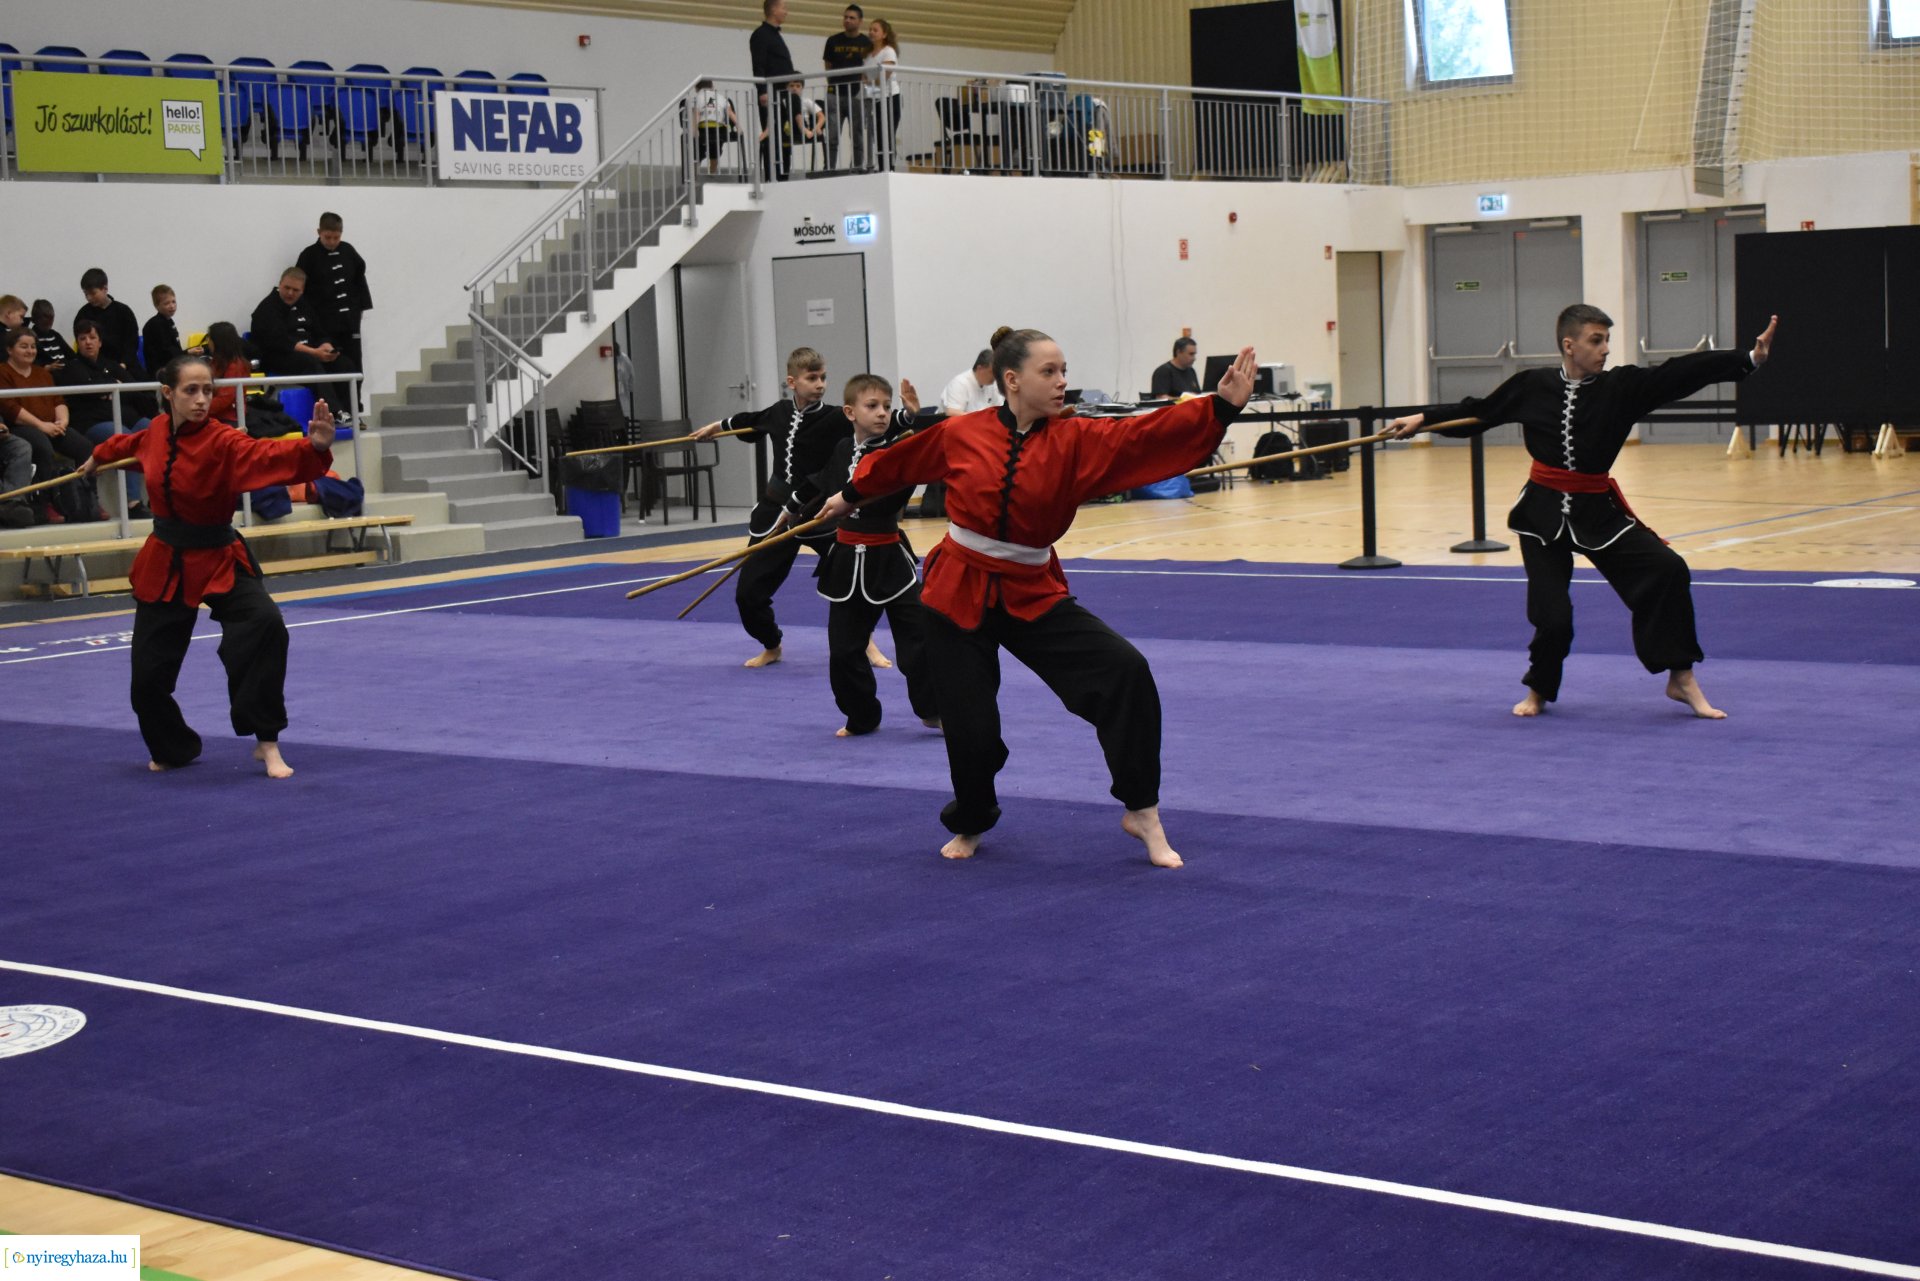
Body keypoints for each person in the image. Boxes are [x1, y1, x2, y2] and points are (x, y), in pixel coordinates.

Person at [817, 327, 1259, 867]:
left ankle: (1141, 808)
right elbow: (901, 462)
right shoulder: (962, 433)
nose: (1061, 382)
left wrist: (1220, 409)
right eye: (1048, 372)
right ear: (1012, 380)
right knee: (972, 730)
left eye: (1063, 371)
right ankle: (973, 819)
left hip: (1032, 589)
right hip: (957, 588)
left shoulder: (1077, 439)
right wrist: (848, 494)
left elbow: (1145, 434)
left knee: (1124, 671)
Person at [1387, 305, 1781, 720]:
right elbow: (1481, 412)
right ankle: (1539, 688)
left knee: (1666, 569)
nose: (1605, 349)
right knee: (1553, 618)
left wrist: (1747, 360)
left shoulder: (1622, 388)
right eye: (1597, 340)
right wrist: (1423, 418)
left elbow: (1678, 373)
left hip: (1599, 513)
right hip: (1540, 515)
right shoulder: (1531, 385)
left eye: (1607, 340)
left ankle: (1680, 677)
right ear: (1569, 344)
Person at [77, 355, 336, 779]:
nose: (201, 400)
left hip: (218, 555)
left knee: (265, 623)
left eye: (207, 391)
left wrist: (315, 449)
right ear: (168, 394)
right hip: (166, 559)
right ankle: (174, 747)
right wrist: (95, 457)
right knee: (146, 680)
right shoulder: (154, 432)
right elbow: (125, 446)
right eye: (190, 391)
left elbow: (266, 455)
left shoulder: (224, 441)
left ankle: (267, 742)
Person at [789, 373, 939, 735]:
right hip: (846, 565)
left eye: (887, 407)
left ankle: (933, 709)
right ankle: (862, 715)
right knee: (843, 651)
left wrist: (912, 419)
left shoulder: (893, 453)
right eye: (872, 406)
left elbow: (897, 488)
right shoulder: (842, 449)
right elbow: (821, 481)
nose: (882, 413)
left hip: (889, 559)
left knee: (918, 641)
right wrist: (790, 511)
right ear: (850, 412)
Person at [689, 347, 853, 667]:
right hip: (776, 513)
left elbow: (868, 426)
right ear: (792, 381)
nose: (820, 384)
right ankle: (772, 644)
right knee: (748, 595)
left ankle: (866, 642)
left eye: (823, 378)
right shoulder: (779, 412)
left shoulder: (835, 418)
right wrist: (717, 427)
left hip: (820, 513)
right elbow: (749, 421)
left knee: (852, 580)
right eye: (812, 378)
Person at [58, 318, 157, 516]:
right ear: (77, 342)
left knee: (155, 430)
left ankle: (158, 497)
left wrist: (108, 388)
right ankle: (133, 503)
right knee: (125, 439)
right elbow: (86, 390)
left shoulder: (111, 365)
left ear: (100, 341)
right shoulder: (72, 368)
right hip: (94, 423)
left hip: (128, 417)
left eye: (92, 337)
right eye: (82, 338)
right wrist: (112, 385)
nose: (88, 342)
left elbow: (132, 390)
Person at [0, 325, 96, 520]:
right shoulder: (2, 372)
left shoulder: (42, 373)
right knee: (43, 447)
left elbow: (58, 400)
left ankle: (88, 500)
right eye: (23, 346)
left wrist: (63, 421)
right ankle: (44, 503)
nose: (30, 351)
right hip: (20, 427)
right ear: (10, 349)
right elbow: (10, 408)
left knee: (84, 446)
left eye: (33, 347)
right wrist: (42, 426)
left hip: (51, 425)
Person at [293, 213, 373, 419]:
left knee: (355, 368)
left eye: (336, 237)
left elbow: (359, 281)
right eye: (327, 237)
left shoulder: (348, 251)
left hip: (350, 324)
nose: (332, 242)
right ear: (319, 232)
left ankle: (356, 413)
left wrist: (359, 312)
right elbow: (302, 292)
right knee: (332, 368)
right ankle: (336, 413)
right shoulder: (308, 256)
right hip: (324, 327)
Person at [250, 268, 351, 418]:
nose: (290, 293)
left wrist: (326, 346)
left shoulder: (305, 305)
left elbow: (319, 331)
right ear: (280, 284)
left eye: (295, 290)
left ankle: (349, 411)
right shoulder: (267, 308)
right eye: (287, 288)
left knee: (344, 364)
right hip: (278, 357)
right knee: (310, 363)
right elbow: (282, 342)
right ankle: (332, 413)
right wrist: (315, 353)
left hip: (309, 353)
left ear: (302, 290)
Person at [750, 0, 797, 182]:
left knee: (784, 134)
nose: (786, 11)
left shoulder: (774, 35)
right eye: (783, 8)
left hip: (782, 93)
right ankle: (772, 175)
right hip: (771, 93)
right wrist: (763, 91)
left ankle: (783, 174)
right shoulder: (761, 35)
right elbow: (759, 65)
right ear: (773, 9)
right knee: (772, 135)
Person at [822, 4, 869, 171]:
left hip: (857, 94)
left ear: (860, 21)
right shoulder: (833, 41)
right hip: (835, 94)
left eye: (852, 18)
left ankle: (857, 167)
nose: (847, 20)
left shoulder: (866, 42)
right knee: (832, 135)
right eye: (845, 17)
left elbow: (868, 66)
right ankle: (829, 168)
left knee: (856, 135)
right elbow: (828, 65)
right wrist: (832, 84)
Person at [74, 268, 145, 375]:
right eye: (86, 294)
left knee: (147, 388)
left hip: (125, 365)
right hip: (95, 368)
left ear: (105, 289)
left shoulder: (123, 311)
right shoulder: (83, 314)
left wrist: (123, 364)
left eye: (93, 293)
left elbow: (131, 343)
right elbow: (82, 346)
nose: (89, 298)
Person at [864, 18, 902, 168]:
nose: (871, 32)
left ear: (884, 34)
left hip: (890, 97)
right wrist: (870, 79)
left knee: (887, 133)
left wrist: (870, 79)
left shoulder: (889, 51)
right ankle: (881, 167)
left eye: (875, 30)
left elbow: (883, 76)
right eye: (870, 29)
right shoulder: (868, 55)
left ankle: (889, 168)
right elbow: (864, 76)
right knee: (878, 135)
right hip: (875, 98)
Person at [204, 322, 254, 425]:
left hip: (229, 418)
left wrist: (199, 408)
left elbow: (225, 399)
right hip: (213, 414)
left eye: (209, 339)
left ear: (217, 342)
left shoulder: (235, 366)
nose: (208, 343)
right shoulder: (215, 362)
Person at [691, 78, 743, 175]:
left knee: (697, 152)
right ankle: (712, 172)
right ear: (712, 87)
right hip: (719, 129)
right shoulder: (721, 97)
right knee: (715, 152)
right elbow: (730, 112)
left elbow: (696, 114)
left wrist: (695, 129)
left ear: (696, 88)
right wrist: (738, 126)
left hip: (703, 128)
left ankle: (693, 174)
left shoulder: (697, 98)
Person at [142, 284, 191, 376]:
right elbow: (165, 352)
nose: (172, 306)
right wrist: (187, 353)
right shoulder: (155, 324)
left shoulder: (169, 321)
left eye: (173, 302)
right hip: (160, 371)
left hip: (171, 366)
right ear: (157, 305)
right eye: (166, 303)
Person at [30, 299, 76, 369]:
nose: (48, 325)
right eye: (44, 324)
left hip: (66, 371)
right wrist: (46, 367)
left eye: (51, 320)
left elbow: (71, 355)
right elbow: (31, 362)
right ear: (34, 319)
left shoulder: (55, 335)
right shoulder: (30, 337)